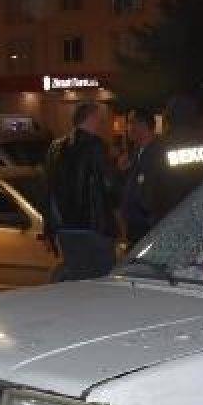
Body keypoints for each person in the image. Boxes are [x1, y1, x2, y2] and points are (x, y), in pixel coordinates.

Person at [43, 102, 117, 280]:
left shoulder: (55, 148)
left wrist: (50, 227)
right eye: (99, 119)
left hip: (66, 228)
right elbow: (109, 186)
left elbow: (48, 189)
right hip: (94, 226)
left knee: (78, 279)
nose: (101, 124)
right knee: (102, 281)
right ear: (91, 118)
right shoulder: (96, 146)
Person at [120, 108, 165, 247]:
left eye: (130, 123)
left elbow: (152, 192)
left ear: (142, 125)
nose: (127, 128)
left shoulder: (158, 152)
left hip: (148, 226)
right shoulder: (136, 152)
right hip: (135, 224)